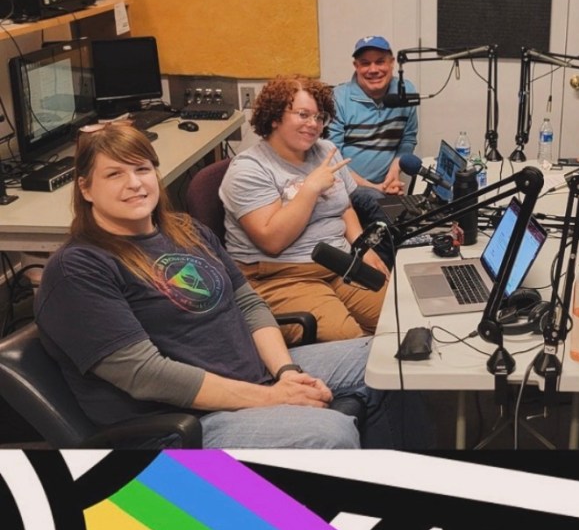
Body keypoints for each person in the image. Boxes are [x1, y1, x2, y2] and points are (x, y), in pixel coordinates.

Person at [33, 122, 414, 449]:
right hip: (183, 423)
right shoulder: (78, 268)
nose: (134, 184)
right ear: (85, 189)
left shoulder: (185, 230)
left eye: (142, 169)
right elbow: (145, 374)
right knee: (328, 435)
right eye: (114, 174)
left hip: (254, 376)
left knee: (393, 360)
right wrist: (271, 398)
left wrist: (285, 371)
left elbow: (247, 303)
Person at [220, 76, 388, 343]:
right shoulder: (249, 169)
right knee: (354, 345)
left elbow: (345, 206)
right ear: (275, 117)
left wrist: (361, 246)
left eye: (319, 117)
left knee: (400, 321)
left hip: (339, 265)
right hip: (281, 277)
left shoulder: (326, 151)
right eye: (303, 115)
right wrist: (309, 189)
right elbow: (272, 241)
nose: (313, 125)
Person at [327, 35, 418, 198]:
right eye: (365, 63)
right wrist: (373, 188)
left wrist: (394, 172)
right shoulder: (338, 98)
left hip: (384, 187)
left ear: (392, 62)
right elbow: (333, 159)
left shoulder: (406, 91)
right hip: (344, 187)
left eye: (380, 61)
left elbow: (408, 139)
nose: (373, 69)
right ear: (356, 66)